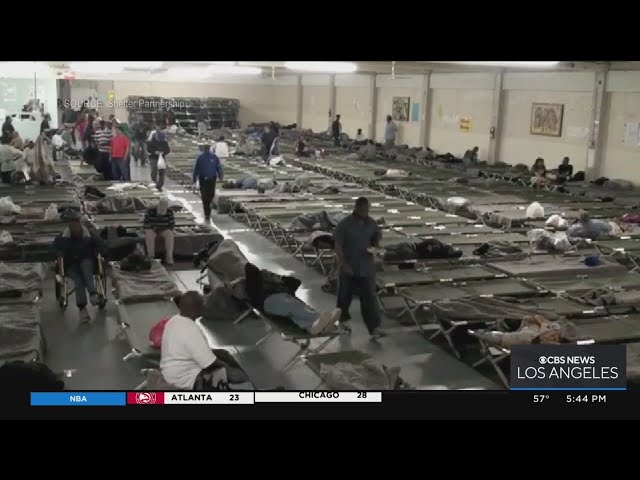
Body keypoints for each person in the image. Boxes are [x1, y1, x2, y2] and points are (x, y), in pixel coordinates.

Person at [333, 197, 385, 338]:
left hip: (366, 267)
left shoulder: (372, 223)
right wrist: (343, 264)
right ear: (356, 208)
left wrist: (376, 249)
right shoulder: (345, 224)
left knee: (369, 298)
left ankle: (374, 328)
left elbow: (375, 241)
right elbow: (337, 246)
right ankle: (342, 321)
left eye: (367, 210)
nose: (364, 212)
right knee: (344, 297)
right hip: (349, 266)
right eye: (362, 210)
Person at [160, 291, 229, 390]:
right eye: (203, 304)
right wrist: (227, 367)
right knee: (227, 371)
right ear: (196, 308)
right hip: (183, 378)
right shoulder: (191, 330)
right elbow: (210, 363)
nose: (205, 306)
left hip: (170, 371)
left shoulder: (174, 320)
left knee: (223, 354)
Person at [53, 216, 106, 323]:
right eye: (74, 228)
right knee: (79, 280)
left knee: (86, 266)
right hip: (71, 265)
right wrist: (58, 255)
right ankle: (82, 308)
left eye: (78, 227)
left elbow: (102, 245)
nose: (76, 230)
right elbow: (54, 250)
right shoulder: (62, 238)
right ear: (70, 228)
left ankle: (92, 293)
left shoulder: (89, 235)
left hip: (87, 262)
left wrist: (102, 253)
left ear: (81, 227)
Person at [193, 143, 224, 222]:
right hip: (203, 179)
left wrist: (220, 176)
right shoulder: (200, 157)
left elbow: (218, 167)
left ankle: (208, 206)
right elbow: (196, 168)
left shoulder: (214, 157)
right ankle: (207, 213)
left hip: (211, 179)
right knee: (205, 195)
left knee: (210, 194)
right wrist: (194, 179)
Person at [143, 198, 175, 265]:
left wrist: (163, 229)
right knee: (149, 234)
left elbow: (171, 225)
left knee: (169, 234)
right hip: (152, 230)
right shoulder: (150, 211)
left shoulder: (169, 212)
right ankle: (151, 256)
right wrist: (153, 228)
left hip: (164, 230)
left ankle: (169, 257)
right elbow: (145, 224)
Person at [147, 125, 170, 191]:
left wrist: (163, 152)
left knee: (162, 172)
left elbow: (168, 150)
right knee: (154, 171)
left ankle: (160, 185)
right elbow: (148, 149)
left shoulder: (164, 141)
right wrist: (154, 152)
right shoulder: (151, 141)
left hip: (161, 158)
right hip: (153, 158)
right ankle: (154, 182)